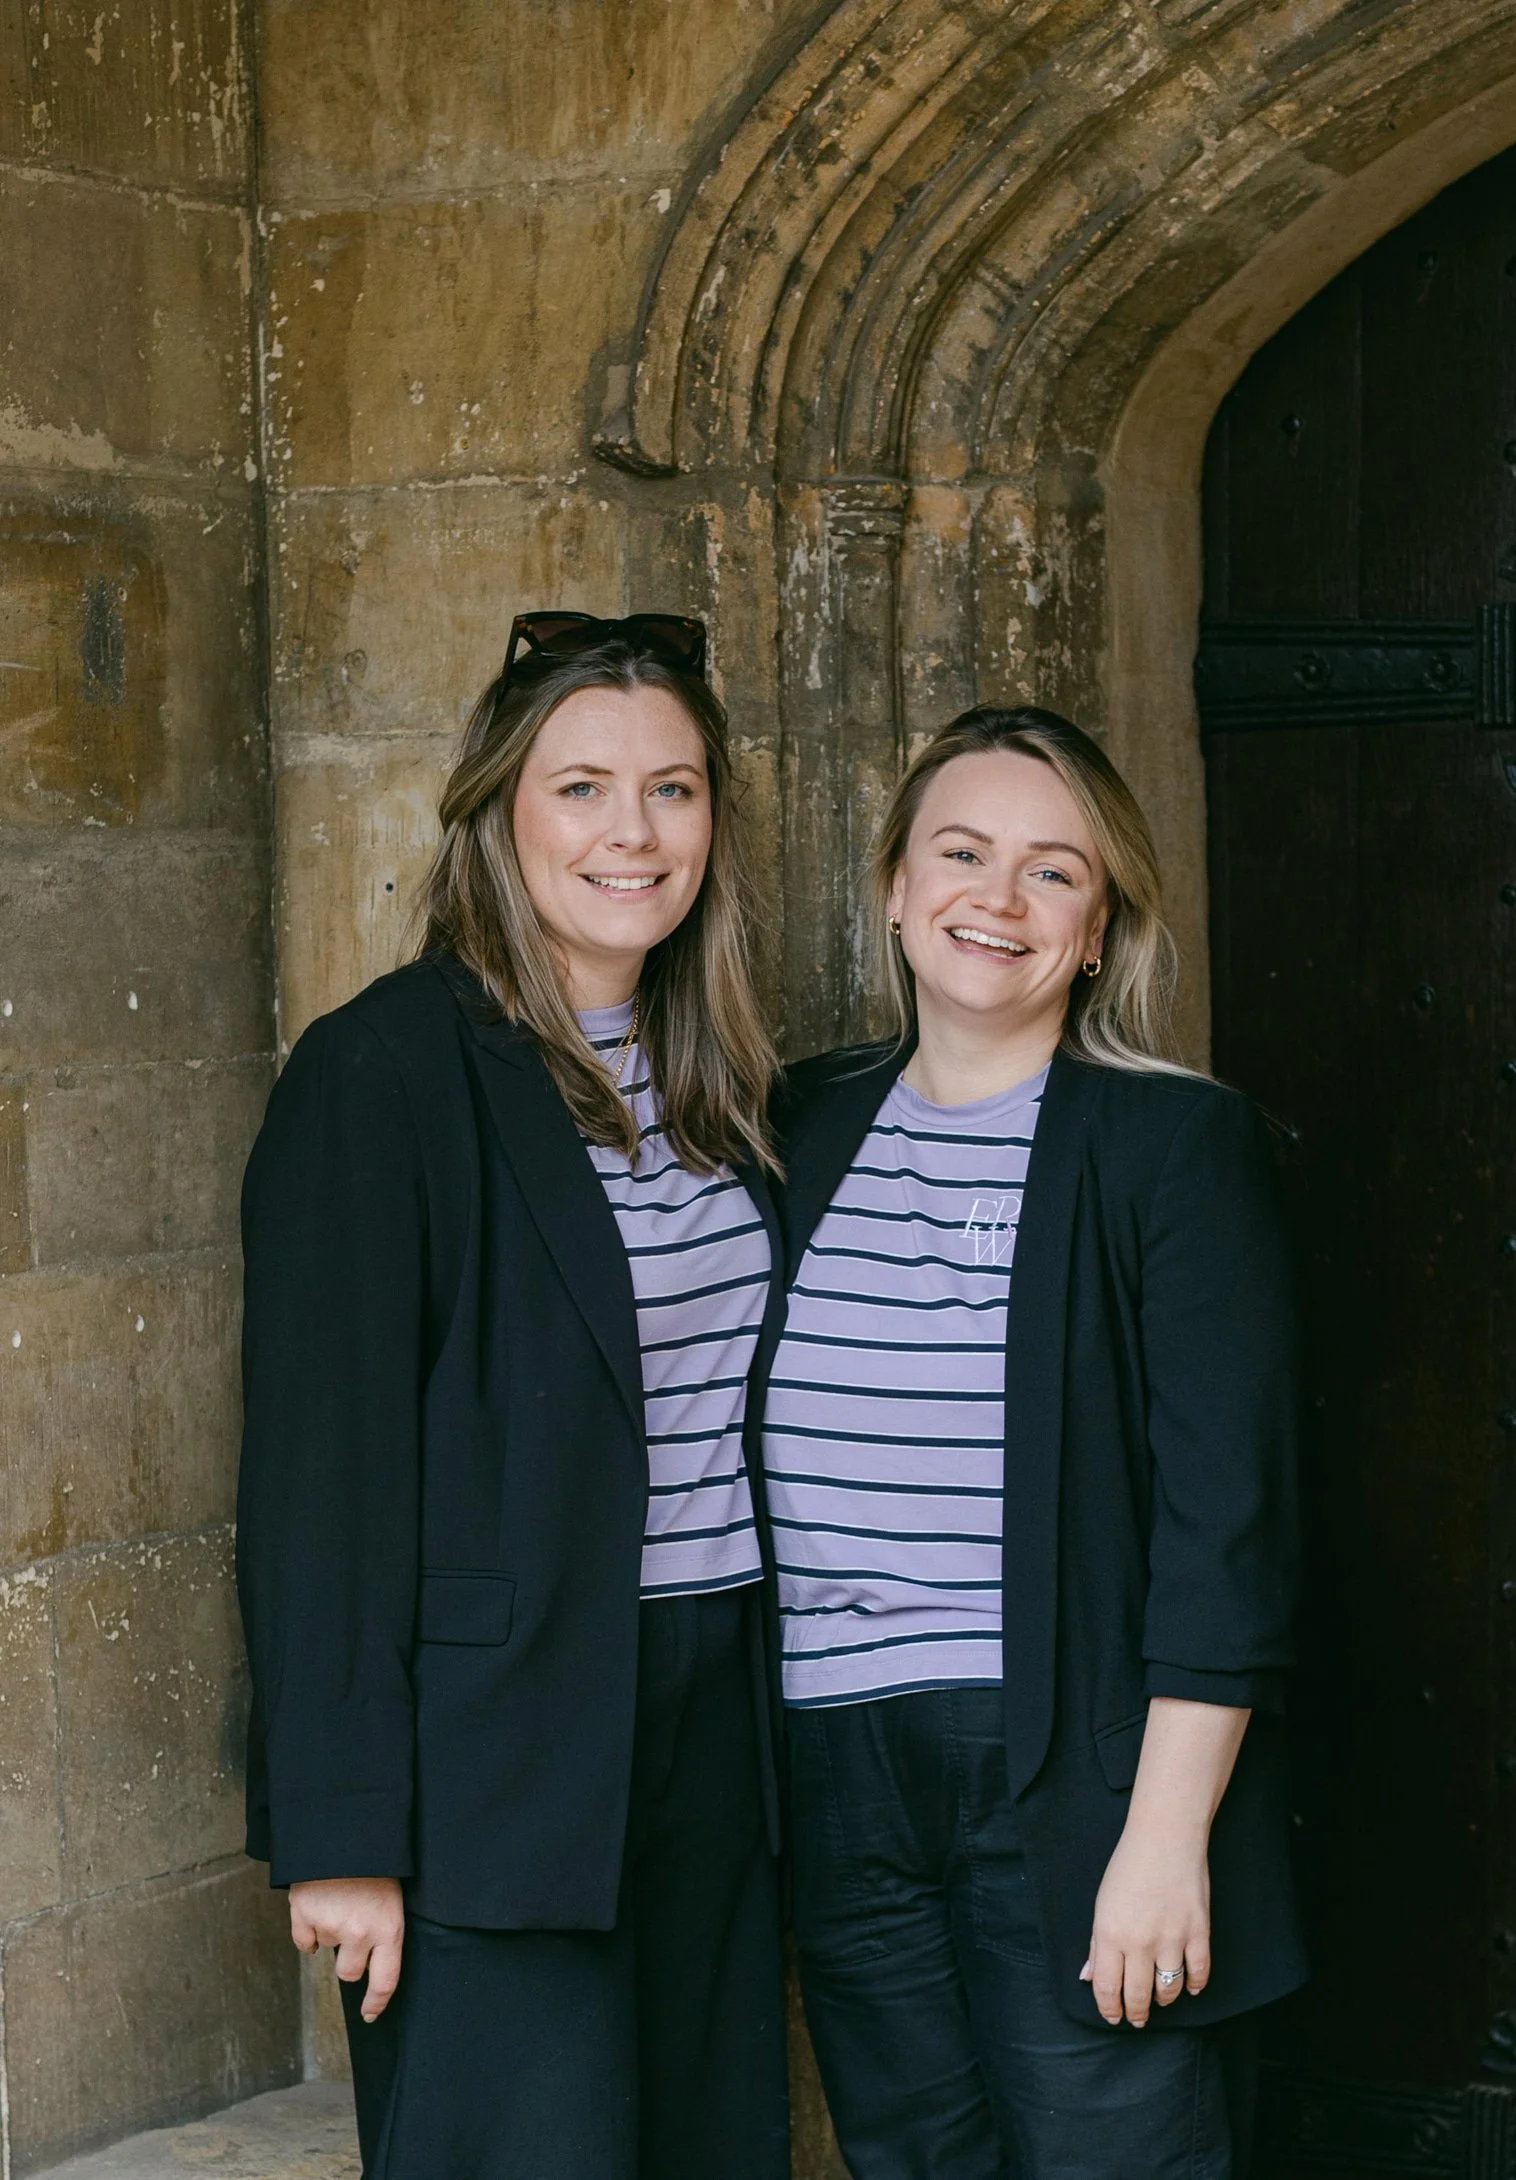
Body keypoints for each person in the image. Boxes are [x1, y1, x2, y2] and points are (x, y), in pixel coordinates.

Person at [235, 612, 790, 2180]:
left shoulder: (721, 1079)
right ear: (498, 811)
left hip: (710, 1734)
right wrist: (341, 1833)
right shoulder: (386, 1074)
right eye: (583, 789)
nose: (634, 833)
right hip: (492, 1761)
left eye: (674, 791)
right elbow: (317, 1486)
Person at [764, 705, 1304, 2179]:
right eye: (963, 852)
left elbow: (1226, 1526)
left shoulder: (1171, 1146)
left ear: (1100, 921)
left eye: (1053, 872)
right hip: (834, 1765)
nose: (997, 901)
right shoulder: (799, 1124)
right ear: (892, 884)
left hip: (1072, 1766)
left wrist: (1163, 1837)